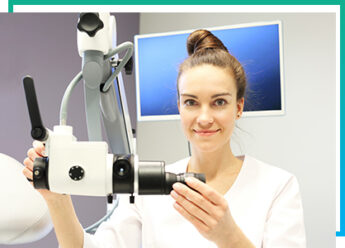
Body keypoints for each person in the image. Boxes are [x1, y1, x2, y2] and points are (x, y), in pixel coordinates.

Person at [23, 29, 306, 248]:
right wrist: (57, 199)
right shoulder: (148, 186)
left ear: (239, 107)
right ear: (180, 107)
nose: (204, 117)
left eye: (219, 102)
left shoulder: (277, 186)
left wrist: (228, 236)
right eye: (191, 102)